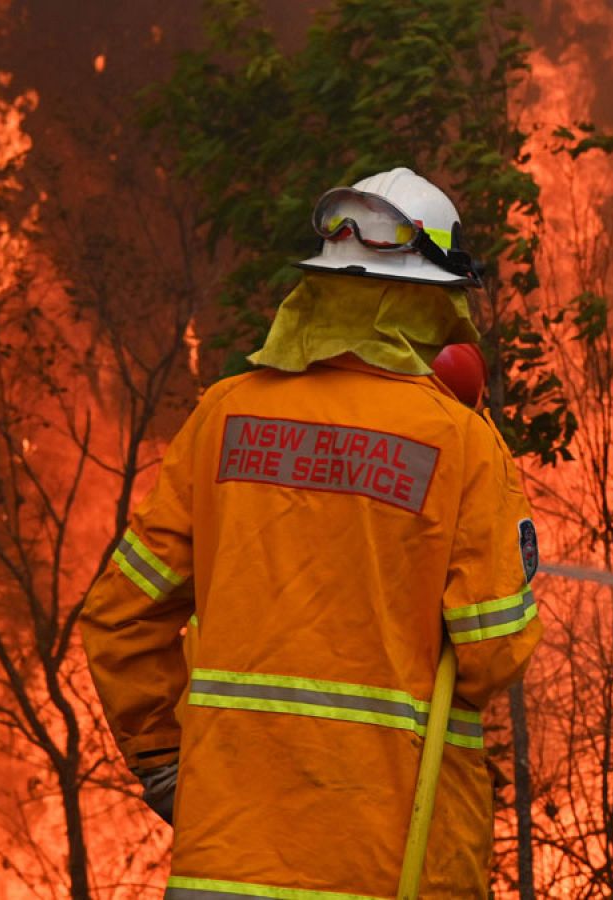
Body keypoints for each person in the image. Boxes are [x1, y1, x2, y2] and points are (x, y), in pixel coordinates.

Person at [80, 167, 542, 899]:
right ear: (434, 299)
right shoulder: (459, 444)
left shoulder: (223, 417)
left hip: (226, 863)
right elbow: (489, 656)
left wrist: (166, 764)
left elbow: (119, 615)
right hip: (394, 862)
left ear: (320, 289)